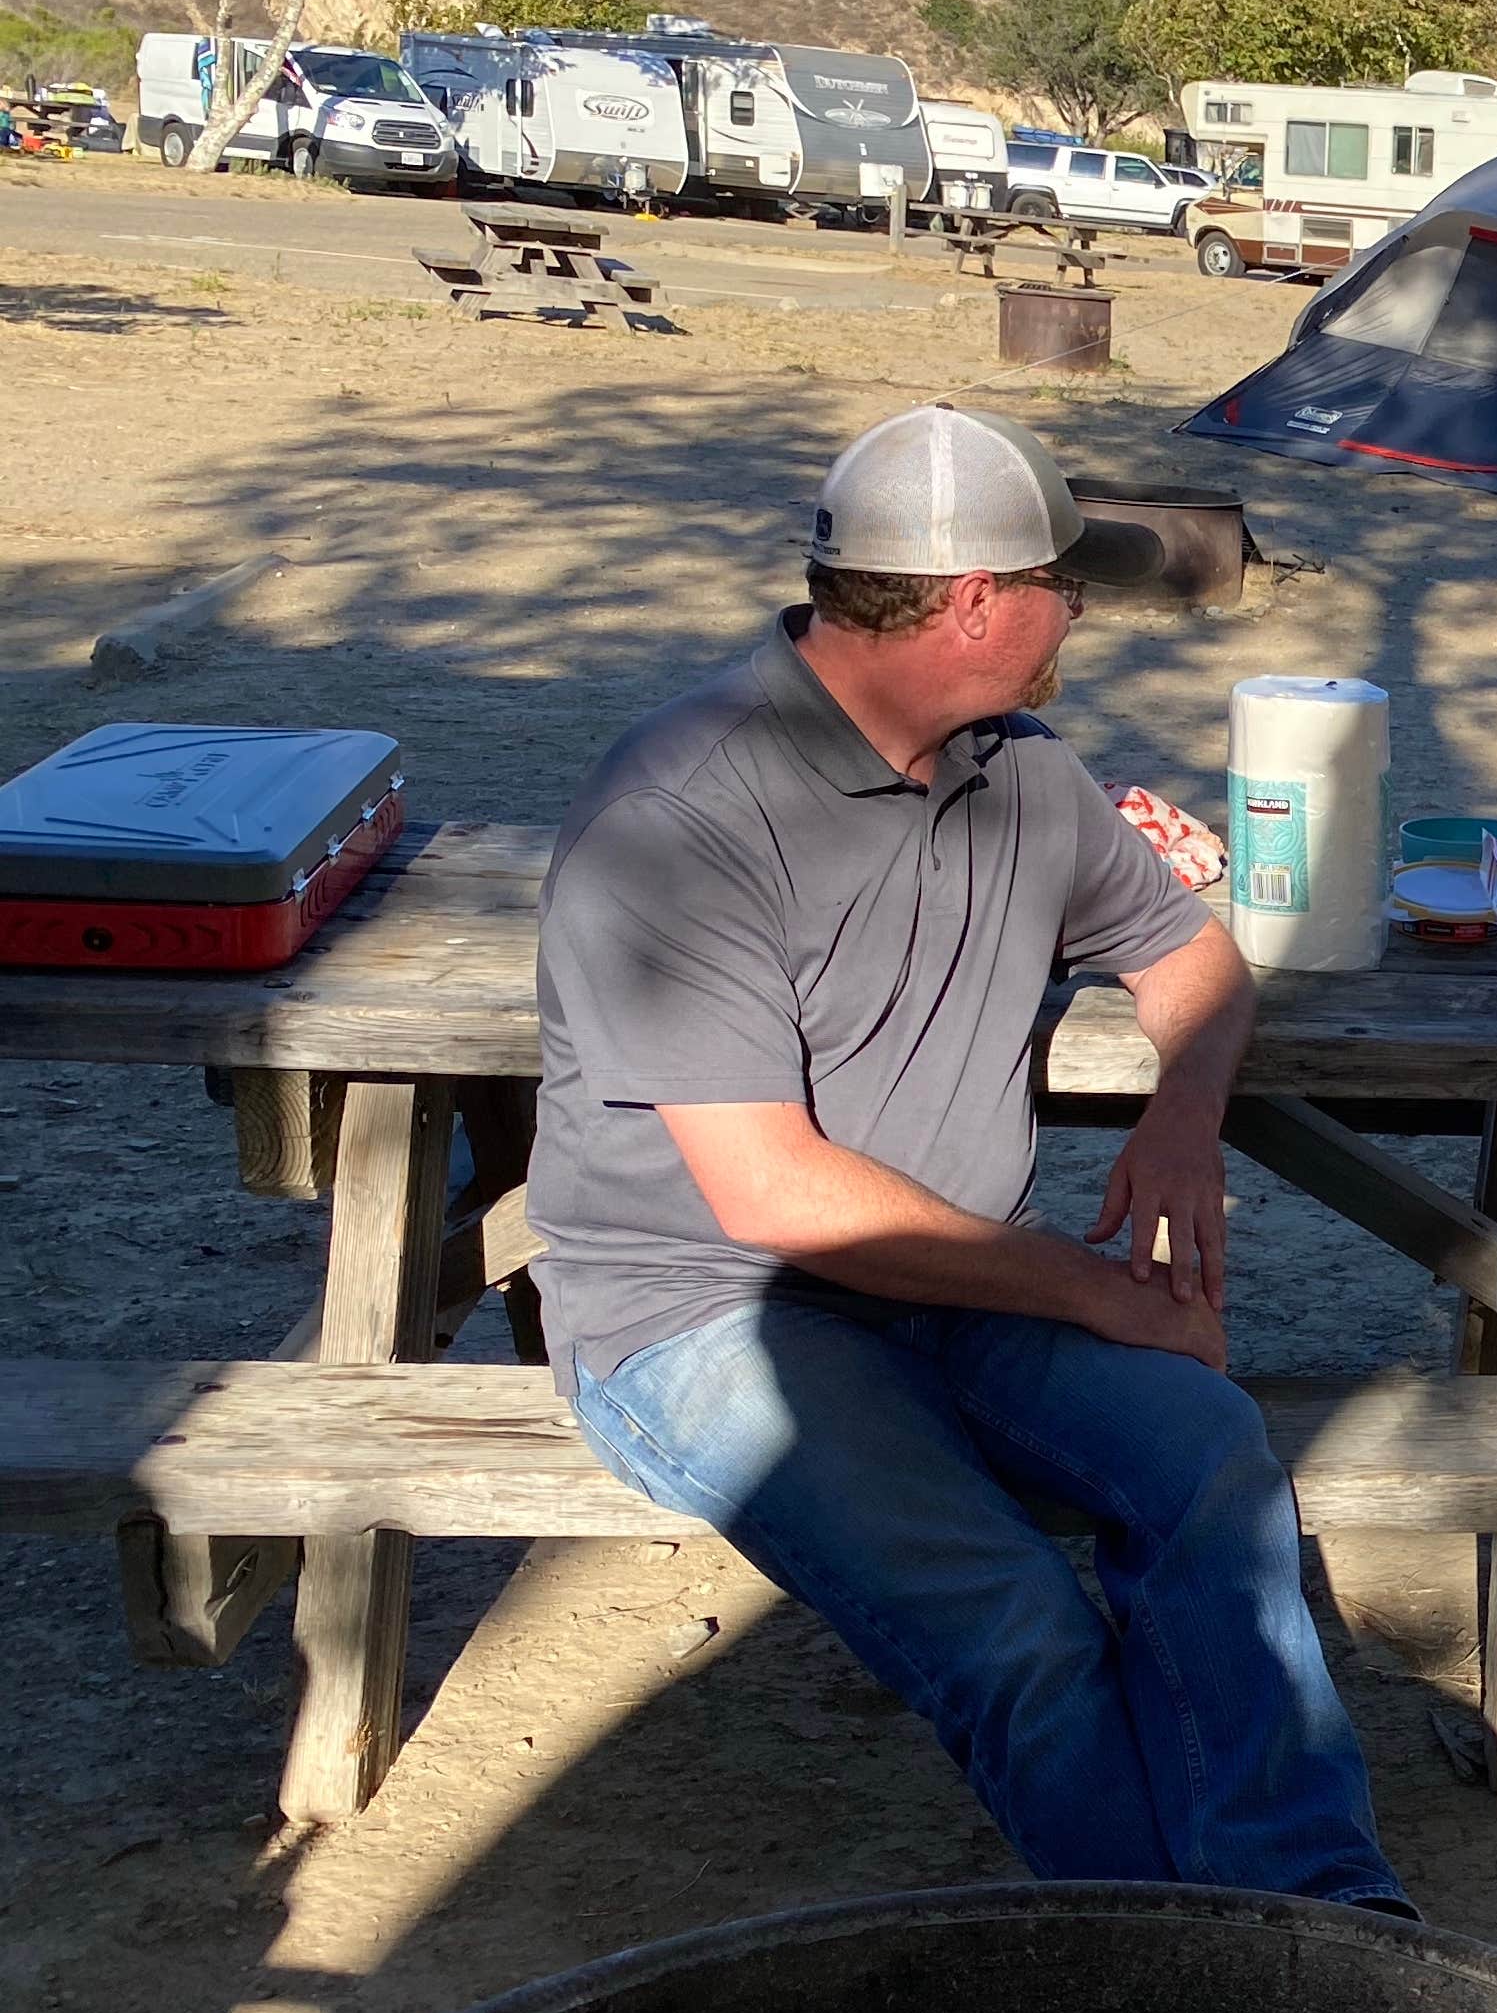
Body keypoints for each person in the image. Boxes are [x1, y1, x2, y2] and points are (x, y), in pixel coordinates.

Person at [529, 403, 1408, 1913]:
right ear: (975, 603)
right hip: (709, 1312)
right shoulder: (678, 819)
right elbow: (773, 1195)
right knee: (1013, 1625)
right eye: (1070, 586)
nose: (1085, 616)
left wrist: (1185, 1122)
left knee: (1208, 1466)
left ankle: (1324, 1920)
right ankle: (1194, 1976)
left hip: (950, 1289)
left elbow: (1194, 960)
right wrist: (1089, 1287)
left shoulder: (1018, 769)